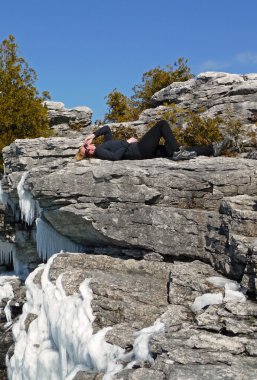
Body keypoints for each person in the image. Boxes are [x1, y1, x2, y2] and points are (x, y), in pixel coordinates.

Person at [75, 120, 229, 161]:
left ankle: (211, 149)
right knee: (161, 125)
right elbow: (115, 157)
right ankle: (177, 153)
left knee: (174, 149)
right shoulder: (101, 152)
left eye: (86, 147)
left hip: (143, 150)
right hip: (139, 151)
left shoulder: (103, 144)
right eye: (87, 153)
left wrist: (93, 135)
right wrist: (127, 143)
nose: (89, 150)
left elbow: (107, 129)